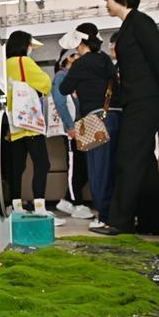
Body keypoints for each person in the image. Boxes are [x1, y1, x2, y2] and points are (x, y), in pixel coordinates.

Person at [102, 0, 159, 236]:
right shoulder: (128, 25)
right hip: (138, 100)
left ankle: (119, 222)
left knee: (128, 157)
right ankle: (151, 223)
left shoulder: (140, 22)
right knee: (143, 161)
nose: (106, 5)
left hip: (145, 100)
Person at [59, 23, 121, 232]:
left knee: (98, 170)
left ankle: (104, 217)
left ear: (80, 43)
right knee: (114, 168)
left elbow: (64, 88)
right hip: (116, 115)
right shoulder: (105, 59)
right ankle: (117, 214)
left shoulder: (81, 64)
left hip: (93, 119)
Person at [4, 30, 64, 225]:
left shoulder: (4, 64)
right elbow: (45, 84)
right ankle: (40, 208)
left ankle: (16, 207)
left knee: (17, 167)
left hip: (13, 123)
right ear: (25, 45)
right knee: (42, 164)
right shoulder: (24, 62)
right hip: (29, 123)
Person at [52, 49, 94, 220]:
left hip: (82, 126)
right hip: (73, 128)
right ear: (68, 58)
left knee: (84, 166)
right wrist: (69, 126)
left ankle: (67, 200)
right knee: (76, 166)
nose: (81, 57)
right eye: (77, 55)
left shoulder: (74, 77)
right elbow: (60, 102)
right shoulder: (61, 76)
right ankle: (77, 204)